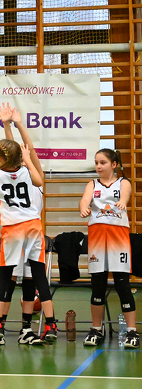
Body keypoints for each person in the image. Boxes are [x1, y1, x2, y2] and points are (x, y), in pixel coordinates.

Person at [0, 125, 57, 347]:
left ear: (0, 159)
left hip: (13, 229)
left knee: (8, 276)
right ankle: (48, 324)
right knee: (33, 277)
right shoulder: (29, 174)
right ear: (21, 158)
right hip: (33, 228)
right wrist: (26, 157)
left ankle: (1, 326)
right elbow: (34, 174)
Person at [0, 103, 46, 346]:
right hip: (16, 233)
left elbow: (27, 149)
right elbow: (11, 150)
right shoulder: (10, 175)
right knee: (9, 281)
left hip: (31, 236)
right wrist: (8, 125)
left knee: (29, 283)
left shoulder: (36, 177)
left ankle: (26, 329)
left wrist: (18, 124)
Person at [79, 149, 139, 348]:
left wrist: (122, 201)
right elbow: (84, 199)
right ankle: (97, 328)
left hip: (118, 237)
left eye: (102, 162)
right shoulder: (92, 184)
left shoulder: (123, 182)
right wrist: (83, 207)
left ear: (114, 165)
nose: (98, 166)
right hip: (97, 237)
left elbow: (126, 194)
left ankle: (131, 331)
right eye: (96, 162)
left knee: (122, 284)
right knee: (98, 285)